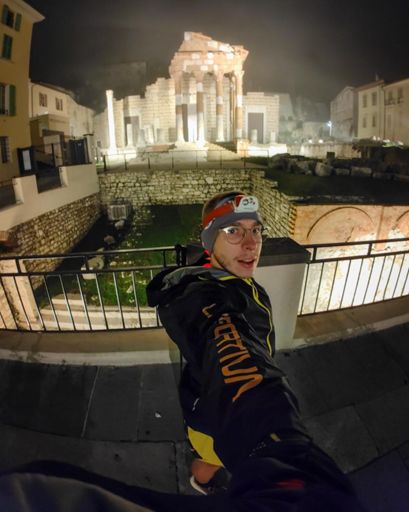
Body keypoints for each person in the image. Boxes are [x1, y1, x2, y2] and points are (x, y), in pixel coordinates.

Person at [146, 191, 366, 510]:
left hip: (207, 398)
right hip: (215, 415)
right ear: (209, 242)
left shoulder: (233, 279)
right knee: (210, 459)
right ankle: (200, 481)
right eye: (233, 231)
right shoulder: (204, 295)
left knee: (213, 457)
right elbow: (226, 340)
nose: (251, 244)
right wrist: (281, 448)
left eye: (256, 230)